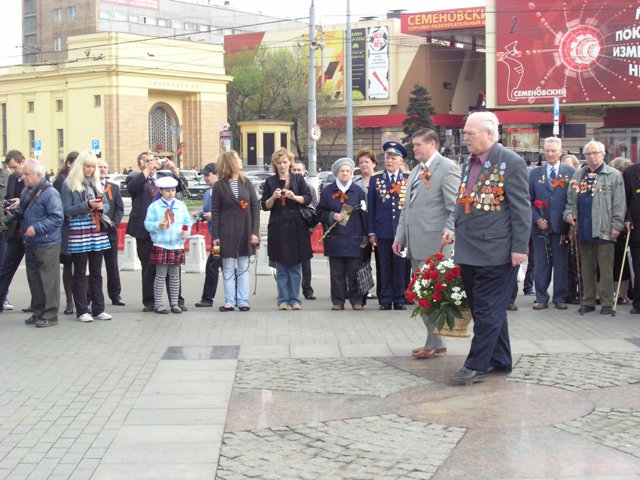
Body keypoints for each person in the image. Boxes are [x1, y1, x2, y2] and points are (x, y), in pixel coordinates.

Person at [451, 111, 531, 385]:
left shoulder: (511, 162)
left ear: (489, 134)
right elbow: (465, 201)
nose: (465, 138)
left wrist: (519, 247)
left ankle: (476, 364)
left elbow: (521, 209)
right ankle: (501, 359)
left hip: (495, 251)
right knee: (485, 308)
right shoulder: (468, 164)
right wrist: (452, 230)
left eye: (469, 133)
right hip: (469, 248)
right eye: (464, 133)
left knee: (487, 310)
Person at [393, 129, 461, 358]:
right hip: (416, 242)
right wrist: (400, 236)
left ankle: (434, 342)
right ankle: (435, 341)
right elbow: (407, 208)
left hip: (436, 243)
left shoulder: (447, 168)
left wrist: (450, 230)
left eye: (418, 145)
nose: (415, 149)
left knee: (429, 294)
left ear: (432, 144)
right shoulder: (415, 171)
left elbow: (455, 206)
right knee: (422, 293)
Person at [564, 140, 626, 316]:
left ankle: (607, 302)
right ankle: (588, 301)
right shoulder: (578, 175)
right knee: (586, 268)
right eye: (588, 154)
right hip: (583, 228)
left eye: (595, 153)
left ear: (603, 154)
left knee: (605, 268)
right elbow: (570, 200)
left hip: (605, 228)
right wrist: (569, 214)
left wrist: (617, 225)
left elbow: (619, 203)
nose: (591, 157)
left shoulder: (613, 175)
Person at [126, 152, 185, 312]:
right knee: (149, 267)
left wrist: (174, 171)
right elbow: (132, 188)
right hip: (145, 229)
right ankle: (150, 301)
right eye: (147, 161)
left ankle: (176, 301)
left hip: (167, 232)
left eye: (153, 160)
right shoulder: (135, 177)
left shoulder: (163, 180)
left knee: (173, 267)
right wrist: (147, 170)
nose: (152, 163)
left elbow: (180, 189)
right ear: (140, 164)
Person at [61, 151, 112, 323]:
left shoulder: (96, 183)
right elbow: (66, 209)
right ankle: (81, 310)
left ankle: (99, 308)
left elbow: (107, 204)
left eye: (92, 166)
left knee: (97, 272)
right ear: (80, 166)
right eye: (87, 166)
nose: (90, 170)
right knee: (80, 272)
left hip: (96, 229)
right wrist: (87, 205)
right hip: (79, 230)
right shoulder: (69, 184)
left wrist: (100, 206)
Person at [261, 148, 313, 310]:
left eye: (285, 162)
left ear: (290, 162)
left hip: (297, 227)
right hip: (278, 227)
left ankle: (295, 299)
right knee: (281, 266)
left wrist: (293, 196)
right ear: (274, 164)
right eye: (279, 162)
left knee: (296, 266)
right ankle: (283, 299)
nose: (282, 165)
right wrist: (274, 197)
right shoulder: (270, 182)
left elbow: (307, 198)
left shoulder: (298, 179)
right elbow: (265, 205)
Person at [528, 137, 575, 310]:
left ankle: (560, 298)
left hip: (561, 227)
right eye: (547, 151)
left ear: (560, 151)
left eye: (553, 151)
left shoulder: (569, 173)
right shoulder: (535, 173)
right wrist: (536, 219)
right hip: (541, 228)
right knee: (541, 263)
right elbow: (528, 200)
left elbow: (572, 200)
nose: (550, 154)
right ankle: (541, 297)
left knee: (561, 263)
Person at [211, 150, 260, 312]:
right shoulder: (219, 185)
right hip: (226, 233)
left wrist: (255, 232)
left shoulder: (246, 182)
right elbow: (216, 211)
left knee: (244, 267)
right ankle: (229, 301)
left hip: (245, 231)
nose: (240, 161)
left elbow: (255, 208)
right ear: (230, 162)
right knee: (228, 267)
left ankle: (243, 301)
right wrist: (215, 236)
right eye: (237, 159)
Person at [317, 158, 368, 310]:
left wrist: (365, 236)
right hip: (335, 238)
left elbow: (364, 215)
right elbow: (319, 213)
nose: (345, 173)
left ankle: (356, 300)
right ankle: (338, 301)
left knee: (354, 271)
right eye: (342, 171)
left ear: (352, 173)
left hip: (354, 238)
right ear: (337, 173)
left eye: (348, 171)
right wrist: (332, 216)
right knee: (336, 272)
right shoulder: (328, 191)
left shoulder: (358, 192)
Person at [18, 159, 64, 328]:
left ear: (38, 175)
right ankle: (38, 311)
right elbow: (23, 210)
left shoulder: (50, 193)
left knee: (48, 280)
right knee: (34, 279)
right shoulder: (26, 190)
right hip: (30, 242)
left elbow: (57, 217)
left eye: (26, 174)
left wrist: (36, 227)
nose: (23, 177)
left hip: (47, 243)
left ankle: (51, 315)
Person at [144, 176, 193, 314]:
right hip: (161, 244)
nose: (171, 193)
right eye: (167, 191)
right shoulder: (154, 206)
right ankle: (158, 304)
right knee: (160, 275)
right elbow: (147, 224)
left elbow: (187, 222)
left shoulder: (181, 205)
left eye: (172, 190)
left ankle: (175, 303)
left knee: (175, 276)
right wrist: (158, 225)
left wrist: (185, 232)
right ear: (160, 191)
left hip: (177, 245)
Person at [369, 142, 408, 310]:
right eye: (387, 157)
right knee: (384, 266)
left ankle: (399, 298)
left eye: (393, 158)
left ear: (401, 160)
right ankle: (385, 299)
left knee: (401, 266)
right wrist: (371, 232)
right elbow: (371, 208)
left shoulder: (407, 179)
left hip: (401, 231)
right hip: (383, 231)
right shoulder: (376, 179)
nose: (390, 161)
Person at [0, 150, 26, 313]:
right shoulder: (11, 178)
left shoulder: (36, 176)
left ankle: (37, 305)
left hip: (29, 230)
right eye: (11, 168)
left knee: (34, 271)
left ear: (22, 162)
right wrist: (7, 205)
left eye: (15, 167)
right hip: (13, 229)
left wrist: (21, 201)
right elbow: (8, 196)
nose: (13, 171)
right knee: (6, 267)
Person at [54, 151, 79, 315]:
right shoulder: (60, 181)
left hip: (79, 227)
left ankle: (81, 300)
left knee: (81, 266)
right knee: (68, 265)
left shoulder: (81, 179)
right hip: (67, 228)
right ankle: (70, 301)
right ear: (69, 164)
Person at [354, 148, 380, 301]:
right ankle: (363, 289)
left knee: (380, 260)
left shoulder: (380, 181)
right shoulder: (355, 184)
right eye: (361, 162)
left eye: (367, 162)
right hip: (361, 227)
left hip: (378, 225)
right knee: (362, 260)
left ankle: (382, 289)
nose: (364, 165)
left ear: (374, 164)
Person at [98, 159, 125, 306]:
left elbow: (120, 208)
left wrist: (114, 223)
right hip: (94, 232)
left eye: (104, 167)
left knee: (112, 265)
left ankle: (115, 295)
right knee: (94, 266)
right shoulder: (89, 186)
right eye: (100, 167)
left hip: (110, 231)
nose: (102, 169)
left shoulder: (112, 187)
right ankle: (90, 295)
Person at [194, 162, 221, 307]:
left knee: (212, 265)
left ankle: (207, 299)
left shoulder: (224, 190)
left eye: (208, 175)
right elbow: (206, 211)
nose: (205, 178)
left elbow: (231, 213)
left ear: (217, 174)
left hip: (223, 237)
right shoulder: (207, 193)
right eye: (203, 175)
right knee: (214, 265)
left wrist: (214, 216)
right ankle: (207, 298)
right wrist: (199, 215)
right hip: (214, 237)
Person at [291, 159, 317, 301]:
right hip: (288, 229)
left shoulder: (309, 188)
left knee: (306, 261)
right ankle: (289, 289)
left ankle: (307, 289)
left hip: (304, 229)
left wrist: (311, 227)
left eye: (299, 170)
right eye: (293, 170)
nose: (296, 173)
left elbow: (315, 208)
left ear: (304, 172)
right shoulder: (286, 186)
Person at [610, 157, 632, 305]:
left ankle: (621, 294)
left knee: (620, 262)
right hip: (612, 225)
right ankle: (618, 293)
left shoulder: (627, 184)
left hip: (623, 227)